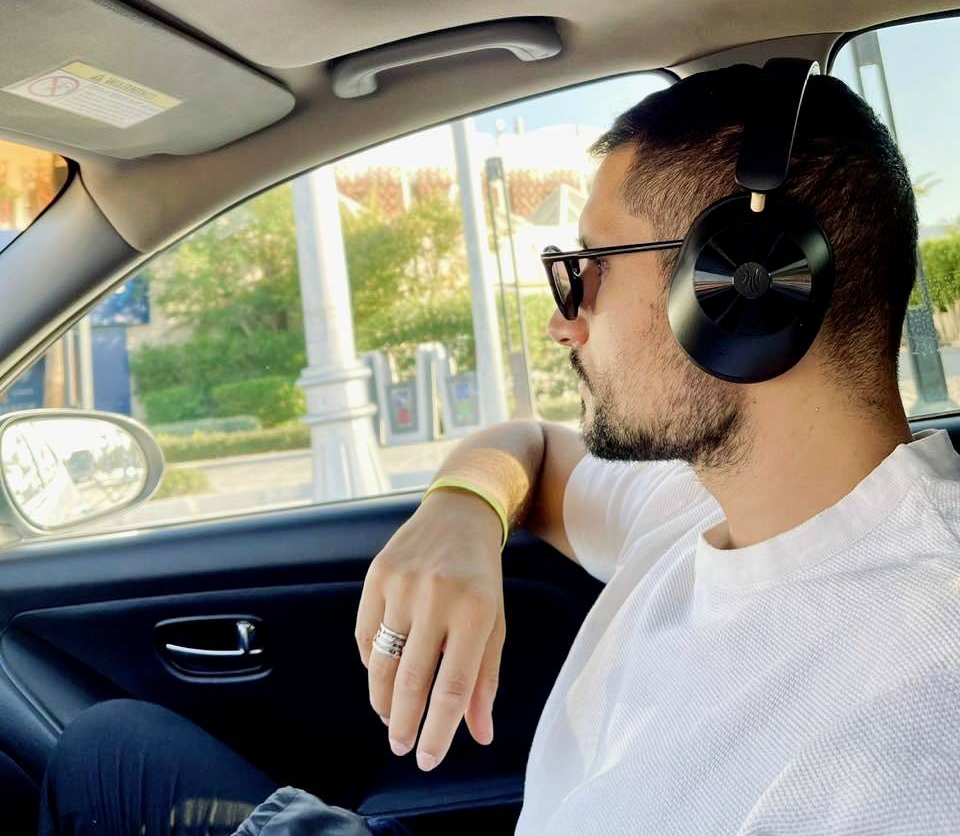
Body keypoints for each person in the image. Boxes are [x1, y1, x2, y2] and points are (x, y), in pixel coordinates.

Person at [36, 64, 960, 834]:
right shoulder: (712, 498)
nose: (565, 322)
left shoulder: (918, 712)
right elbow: (534, 451)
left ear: (745, 291)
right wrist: (460, 512)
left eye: (587, 271)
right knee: (109, 750)